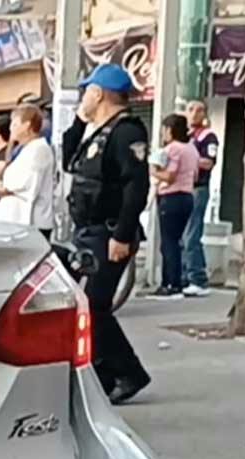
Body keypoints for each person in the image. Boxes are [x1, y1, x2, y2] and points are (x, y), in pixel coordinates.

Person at [61, 63, 152, 403]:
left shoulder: (127, 132)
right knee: (82, 303)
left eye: (87, 92)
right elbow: (68, 161)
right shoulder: (99, 130)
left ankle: (128, 372)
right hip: (89, 231)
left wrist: (123, 235)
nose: (83, 98)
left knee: (94, 305)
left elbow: (135, 187)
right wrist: (79, 120)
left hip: (110, 232)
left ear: (98, 94)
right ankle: (103, 367)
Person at [149, 114, 200, 298]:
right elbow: (194, 175)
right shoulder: (192, 149)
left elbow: (169, 176)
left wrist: (154, 171)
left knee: (168, 242)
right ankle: (177, 280)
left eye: (164, 130)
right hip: (187, 195)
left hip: (171, 197)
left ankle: (170, 283)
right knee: (176, 241)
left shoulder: (172, 149)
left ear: (170, 130)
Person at [0, 103, 56, 237]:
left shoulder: (40, 149)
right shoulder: (24, 149)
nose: (11, 128)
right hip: (14, 220)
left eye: (15, 124)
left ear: (27, 125)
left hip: (32, 222)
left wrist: (6, 188)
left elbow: (26, 183)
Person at [182, 100, 219, 296]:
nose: (194, 114)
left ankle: (198, 278)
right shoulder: (185, 136)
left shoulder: (208, 137)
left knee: (191, 235)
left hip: (198, 189)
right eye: (191, 110)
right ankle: (185, 276)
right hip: (182, 188)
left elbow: (209, 162)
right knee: (181, 236)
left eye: (199, 110)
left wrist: (189, 159)